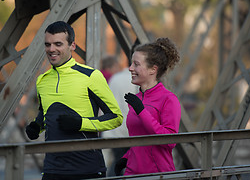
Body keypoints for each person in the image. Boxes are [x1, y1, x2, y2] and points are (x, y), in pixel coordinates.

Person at [25, 21, 123, 180]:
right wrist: (37, 126)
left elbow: (116, 118)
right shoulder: (42, 80)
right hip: (52, 169)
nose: (51, 49)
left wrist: (80, 123)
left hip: (87, 169)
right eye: (48, 44)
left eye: (58, 44)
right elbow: (45, 113)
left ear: (72, 46)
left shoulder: (91, 76)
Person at [114, 37, 181, 176]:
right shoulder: (136, 99)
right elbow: (138, 138)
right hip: (132, 174)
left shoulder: (168, 99)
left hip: (158, 175)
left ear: (152, 69)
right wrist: (126, 158)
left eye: (136, 64)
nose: (130, 68)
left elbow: (170, 142)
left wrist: (141, 111)